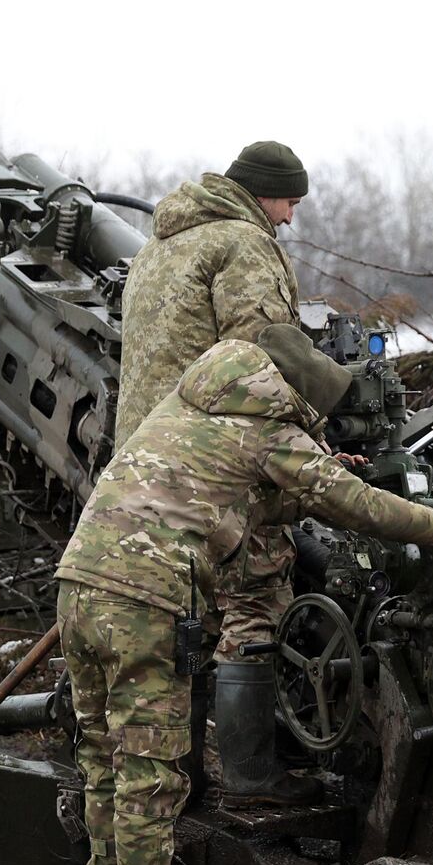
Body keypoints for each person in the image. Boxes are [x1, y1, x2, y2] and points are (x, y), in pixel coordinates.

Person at [57, 324, 433, 865]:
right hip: (144, 602)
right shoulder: (270, 427)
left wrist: (314, 467)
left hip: (79, 584)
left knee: (102, 756)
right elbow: (357, 506)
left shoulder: (191, 400)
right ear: (295, 397)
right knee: (150, 781)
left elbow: (228, 492)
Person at [116, 140, 318, 805]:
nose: (290, 217)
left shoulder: (158, 247)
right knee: (252, 604)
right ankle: (253, 780)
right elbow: (266, 355)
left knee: (184, 618)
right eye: (289, 201)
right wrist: (318, 433)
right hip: (221, 457)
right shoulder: (243, 244)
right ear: (263, 193)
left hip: (149, 460)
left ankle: (182, 780)